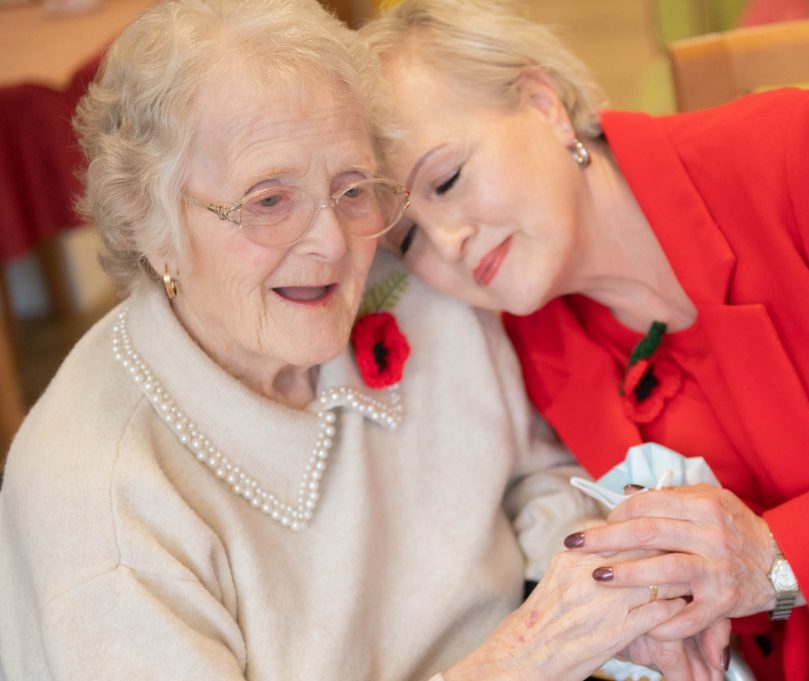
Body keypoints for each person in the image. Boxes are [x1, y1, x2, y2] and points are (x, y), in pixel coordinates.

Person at [0, 1, 696, 679]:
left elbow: (532, 475)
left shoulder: (421, 291)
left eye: (352, 187)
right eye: (269, 201)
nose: (333, 241)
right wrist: (530, 655)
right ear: (148, 222)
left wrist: (616, 604)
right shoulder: (103, 504)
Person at [360, 1, 809, 679]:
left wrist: (776, 557)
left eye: (445, 180)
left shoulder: (806, 156)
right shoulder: (542, 346)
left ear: (544, 104)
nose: (447, 241)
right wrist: (674, 613)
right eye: (407, 239)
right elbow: (734, 586)